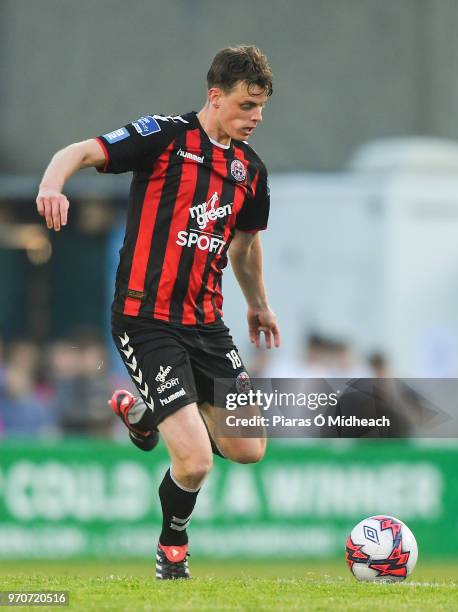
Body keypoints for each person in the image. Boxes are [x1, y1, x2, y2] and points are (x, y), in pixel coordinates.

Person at [36, 45, 280, 579]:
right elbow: (80, 150)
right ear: (215, 97)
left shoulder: (250, 171)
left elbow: (244, 247)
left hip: (207, 325)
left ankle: (147, 416)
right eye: (246, 105)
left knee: (247, 448)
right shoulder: (165, 137)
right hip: (146, 321)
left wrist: (258, 305)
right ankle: (173, 549)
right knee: (195, 460)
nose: (256, 117)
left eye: (261, 107)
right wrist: (53, 185)